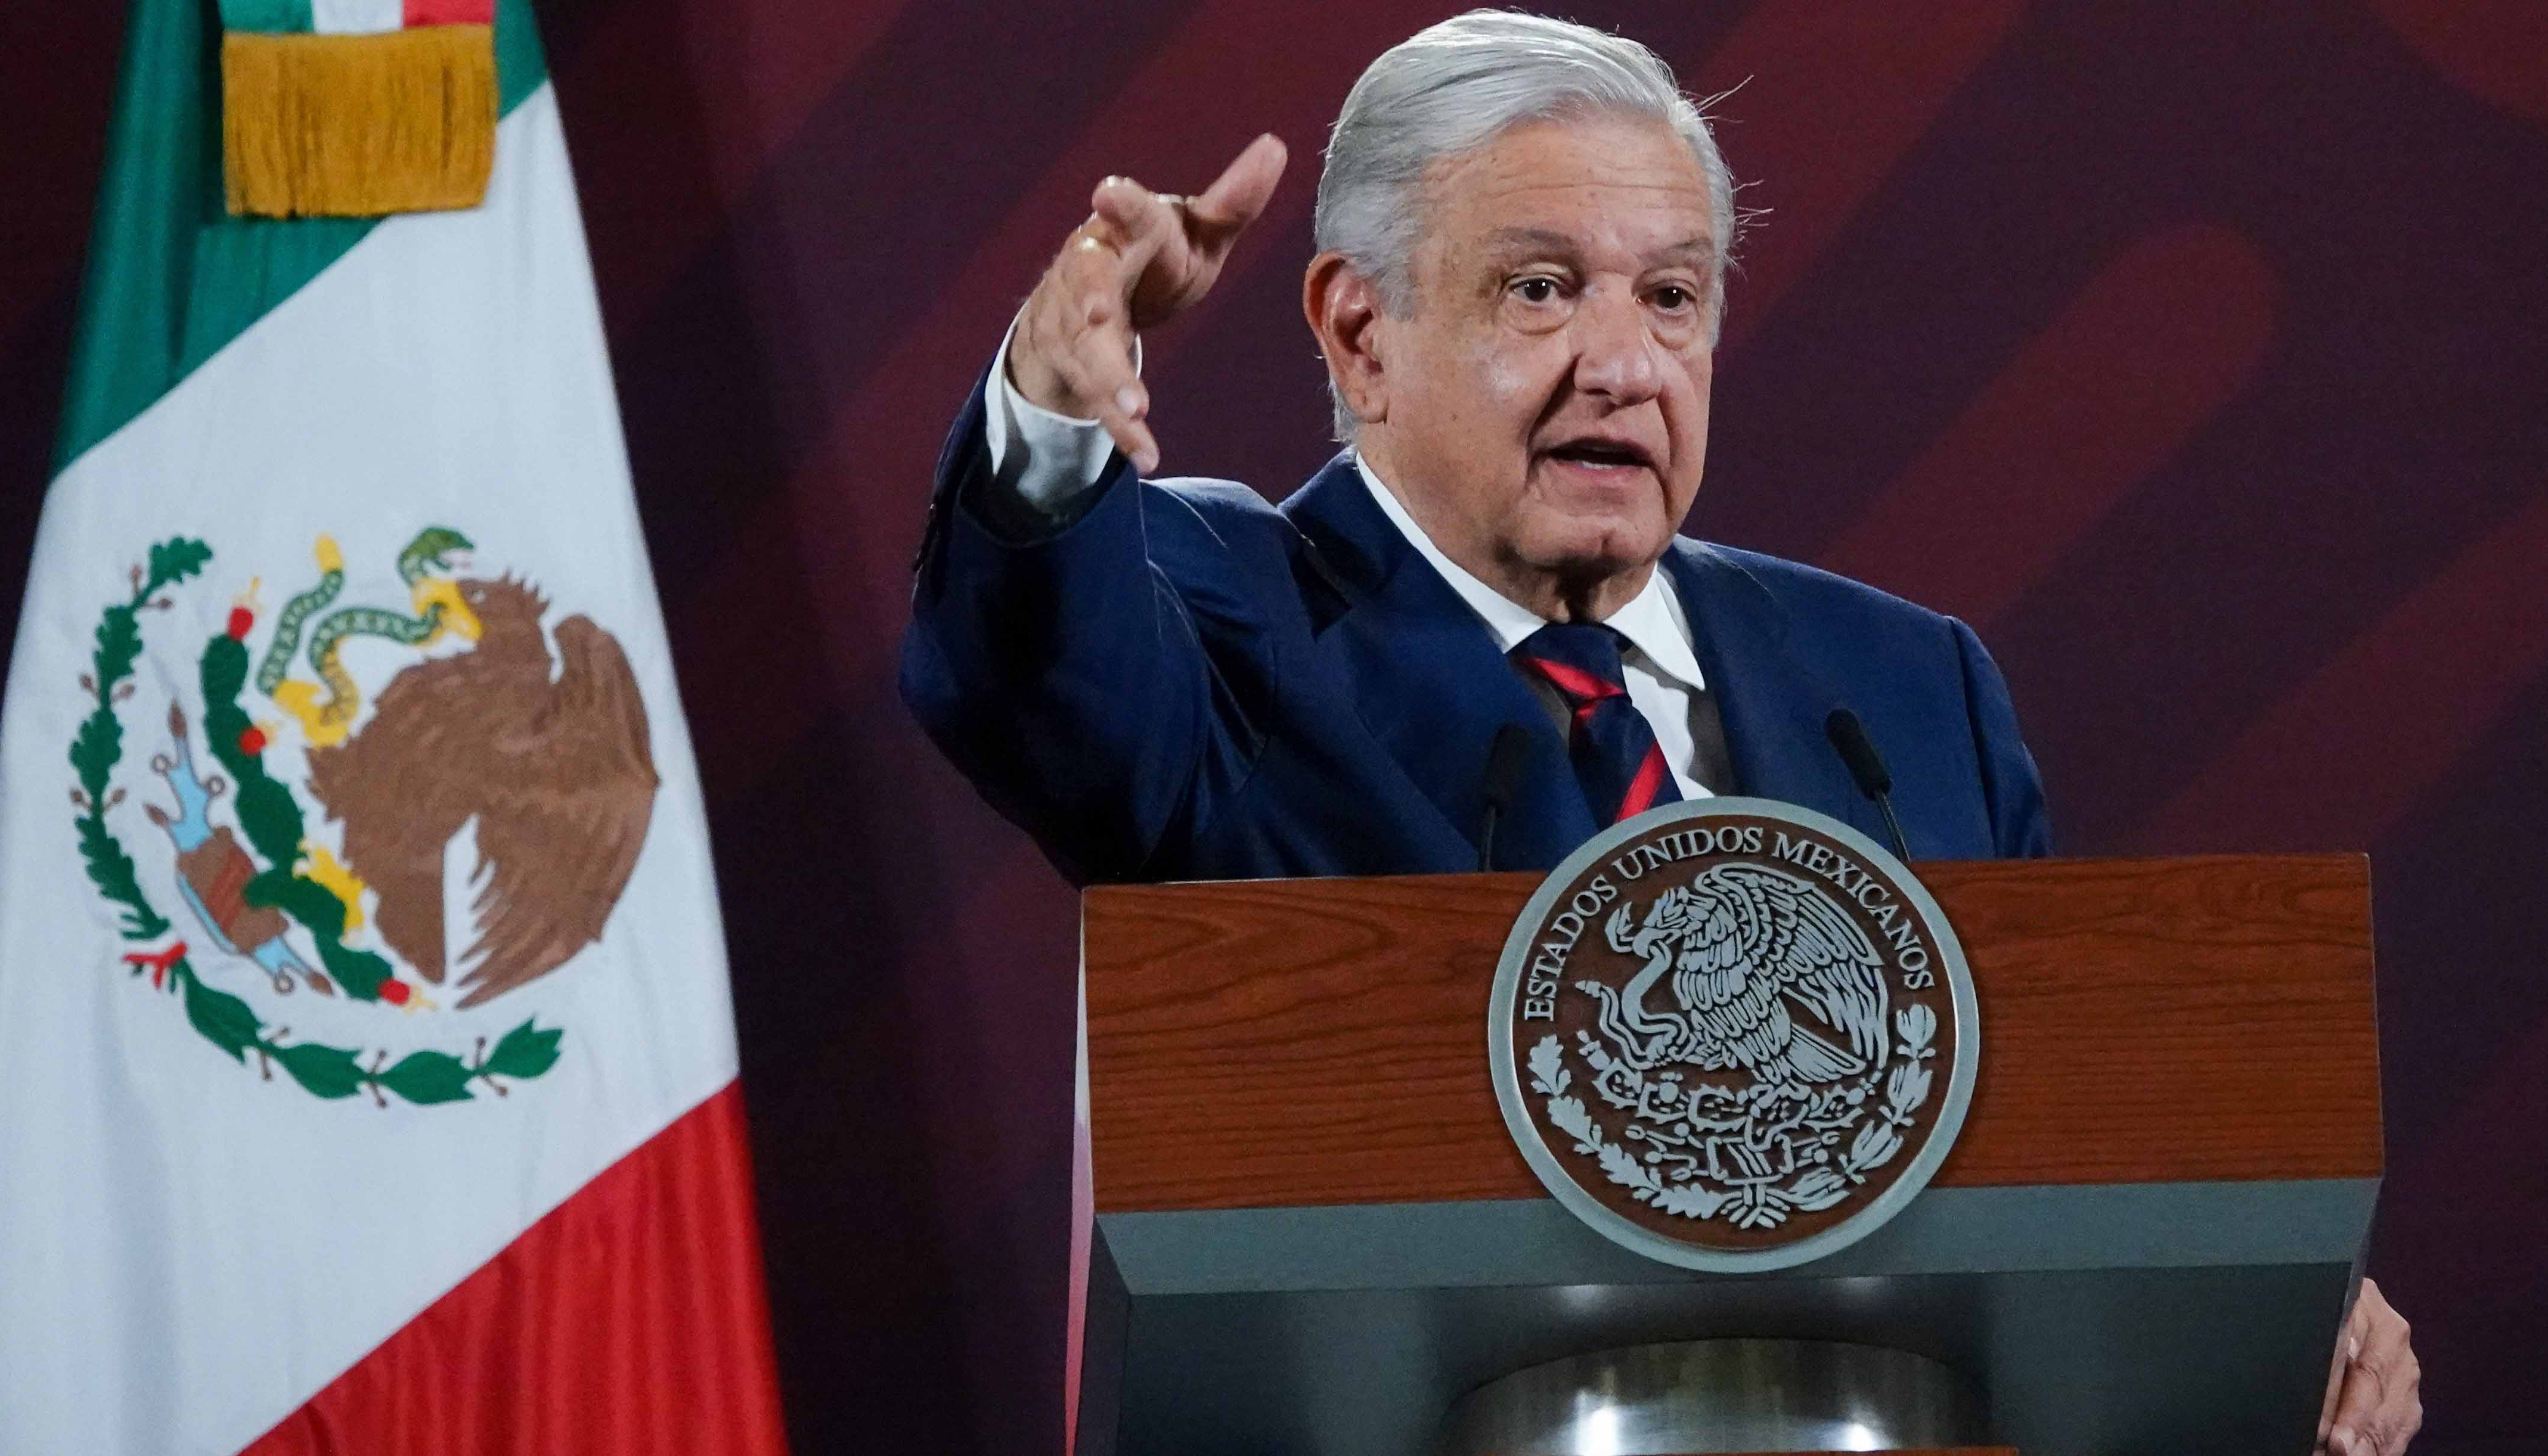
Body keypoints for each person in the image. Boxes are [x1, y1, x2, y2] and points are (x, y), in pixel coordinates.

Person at [898, 15, 2418, 1449]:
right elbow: (1024, 662)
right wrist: (1049, 411)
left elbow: (2055, 1130)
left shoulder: (1901, 685)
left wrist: (2271, 1282)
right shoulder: (1223, 611)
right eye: (1539, 288)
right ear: (1361, 335)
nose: (1623, 365)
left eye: (1671, 298)